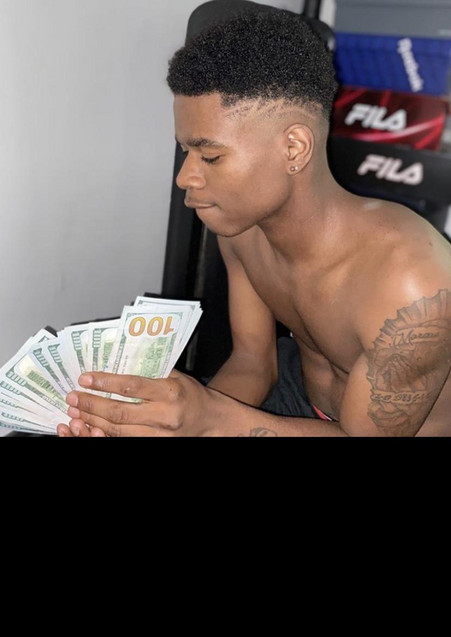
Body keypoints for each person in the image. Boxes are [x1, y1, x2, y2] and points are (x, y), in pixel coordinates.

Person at [57, 10, 451, 437]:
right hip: (297, 400)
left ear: (294, 148)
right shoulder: (243, 230)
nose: (185, 177)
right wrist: (174, 424)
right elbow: (253, 363)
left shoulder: (412, 283)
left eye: (211, 156)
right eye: (187, 152)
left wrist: (208, 419)